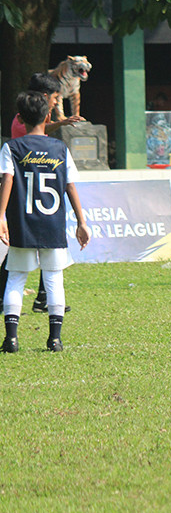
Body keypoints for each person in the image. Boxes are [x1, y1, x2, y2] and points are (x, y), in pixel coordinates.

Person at [0, 91, 91, 352]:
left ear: (20, 118)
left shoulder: (12, 147)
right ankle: (55, 339)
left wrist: (1, 216)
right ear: (48, 116)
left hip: (23, 223)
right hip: (52, 224)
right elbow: (70, 186)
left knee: (16, 277)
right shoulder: (60, 148)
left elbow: (7, 180)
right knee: (54, 278)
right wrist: (81, 221)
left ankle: (12, 339)